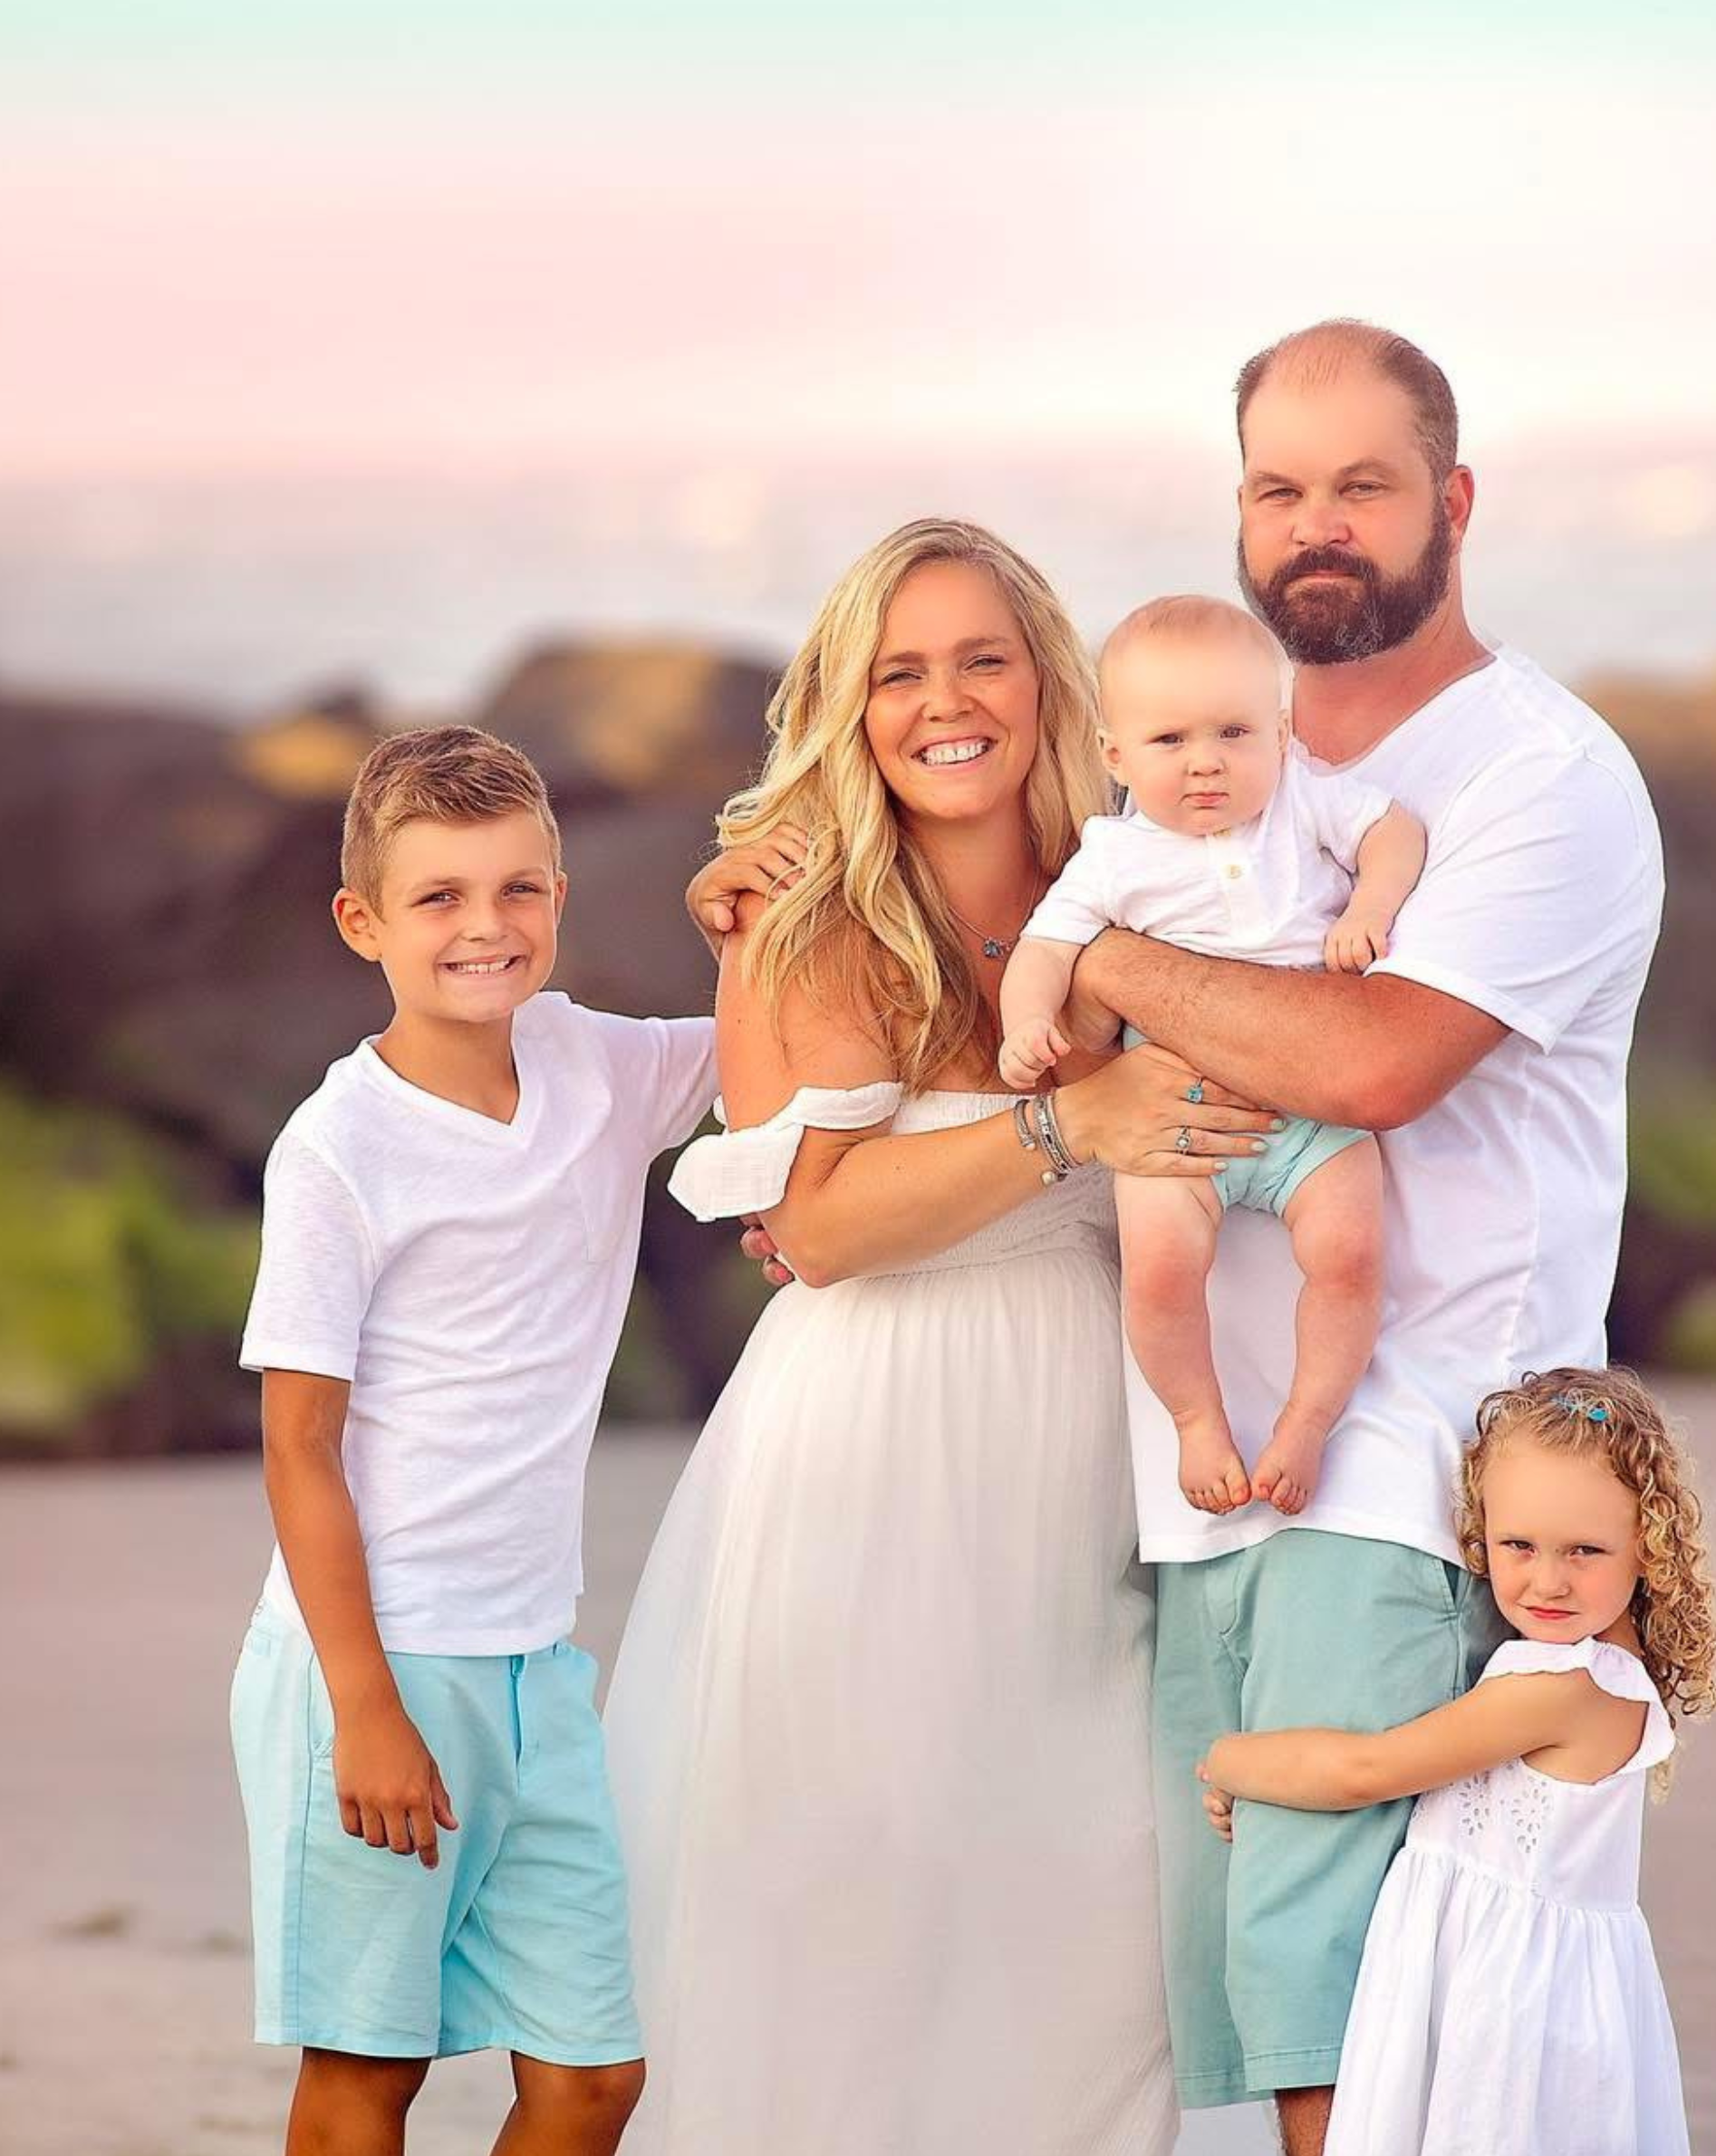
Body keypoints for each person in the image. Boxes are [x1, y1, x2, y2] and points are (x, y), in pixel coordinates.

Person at [1063, 322, 1668, 2156]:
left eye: (1359, 484)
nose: (1312, 524)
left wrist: (1090, 951)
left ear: (1451, 503)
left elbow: (1372, 1057)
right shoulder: (1201, 768)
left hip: (1410, 1460)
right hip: (1213, 1468)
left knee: (1344, 1982)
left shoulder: (1532, 778)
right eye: (1274, 486)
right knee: (1252, 1986)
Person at [605, 519, 1277, 2154]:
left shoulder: (1144, 889)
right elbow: (818, 1232)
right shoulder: (810, 916)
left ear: (1050, 685)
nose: (945, 701)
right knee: (863, 1896)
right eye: (898, 671)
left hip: (1097, 1444)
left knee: (1103, 1894)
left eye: (983, 657)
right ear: (850, 703)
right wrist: (1071, 1126)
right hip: (876, 1447)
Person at [228, 726, 717, 2156]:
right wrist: (365, 1706)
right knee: (369, 2073)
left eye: (518, 890)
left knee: (591, 2079)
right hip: (369, 1668)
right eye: (439, 898)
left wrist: (748, 912)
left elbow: (776, 1057)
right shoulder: (339, 1149)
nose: (485, 929)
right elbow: (298, 1450)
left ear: (561, 895)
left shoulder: (597, 1067)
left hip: (536, 1672)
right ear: (363, 921)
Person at [1197, 1366, 1716, 2155]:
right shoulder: (1603, 1667)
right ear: (1481, 1530)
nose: (1547, 1579)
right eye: (1519, 1545)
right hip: (1513, 1986)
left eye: (1585, 1550)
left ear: (1647, 1550)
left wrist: (1231, 1759)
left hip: (1502, 2006)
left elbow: (1368, 1771)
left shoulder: (1565, 1687)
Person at [998, 593, 1426, 1517]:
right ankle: (1198, 1421)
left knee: (1351, 1256)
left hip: (1313, 1109)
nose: (1205, 762)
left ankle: (1307, 1421)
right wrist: (1025, 1024)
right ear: (1115, 756)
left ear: (1279, 733)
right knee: (1156, 1273)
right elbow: (1043, 949)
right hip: (1176, 1114)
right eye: (1169, 742)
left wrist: (1367, 908)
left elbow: (1395, 830)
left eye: (1234, 732)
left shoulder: (1303, 800)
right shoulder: (1113, 856)